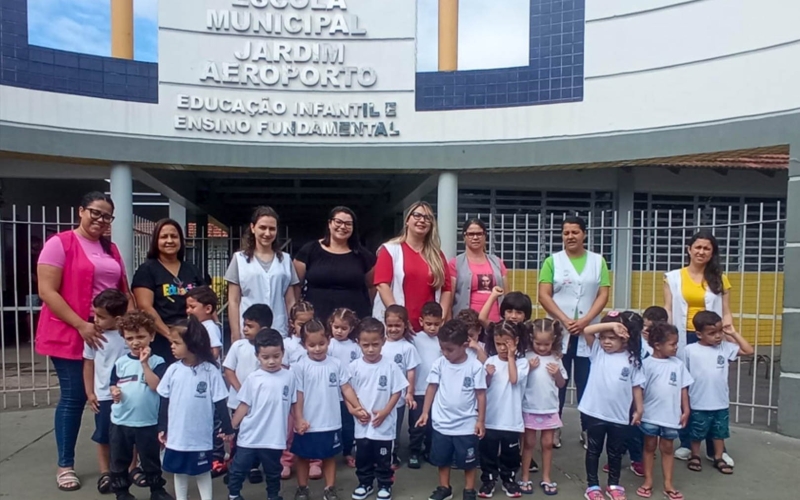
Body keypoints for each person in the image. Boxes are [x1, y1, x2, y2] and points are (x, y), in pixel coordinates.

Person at [36, 191, 131, 492]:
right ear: (80, 211)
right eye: (95, 212)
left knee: (118, 393)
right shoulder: (59, 244)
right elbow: (47, 291)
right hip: (68, 332)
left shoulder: (111, 249)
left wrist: (131, 327)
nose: (101, 220)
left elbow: (123, 291)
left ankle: (118, 460)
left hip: (110, 336)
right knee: (76, 396)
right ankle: (66, 464)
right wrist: (81, 325)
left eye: (107, 216)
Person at [537, 216, 611, 448]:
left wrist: (586, 321)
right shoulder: (552, 261)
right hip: (559, 332)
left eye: (575, 232)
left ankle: (587, 428)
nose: (570, 236)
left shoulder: (598, 261)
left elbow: (603, 294)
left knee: (586, 382)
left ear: (584, 234)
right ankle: (554, 427)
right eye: (566, 232)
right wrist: (566, 320)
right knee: (557, 380)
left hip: (588, 332)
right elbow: (544, 295)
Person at [665, 231, 736, 465]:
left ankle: (716, 448)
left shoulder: (719, 278)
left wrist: (729, 332)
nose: (701, 252)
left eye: (707, 248)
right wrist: (665, 337)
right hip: (683, 336)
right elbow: (668, 308)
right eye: (697, 247)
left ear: (712, 252)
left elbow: (725, 310)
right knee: (685, 388)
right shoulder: (673, 277)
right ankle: (686, 443)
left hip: (712, 336)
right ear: (689, 249)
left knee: (712, 388)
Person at [157, 317, 234, 500]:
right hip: (177, 435)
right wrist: (162, 426)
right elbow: (164, 400)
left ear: (192, 343)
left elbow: (220, 402)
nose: (172, 347)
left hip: (200, 436)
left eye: (177, 342)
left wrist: (227, 427)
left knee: (202, 471)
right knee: (179, 471)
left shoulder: (210, 371)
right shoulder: (173, 370)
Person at [291, 319, 365, 500]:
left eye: (321, 344)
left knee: (329, 456)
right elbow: (297, 395)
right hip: (307, 423)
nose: (317, 349)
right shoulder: (299, 367)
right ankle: (302, 488)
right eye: (312, 345)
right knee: (302, 457)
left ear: (328, 340)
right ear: (304, 345)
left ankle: (329, 488)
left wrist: (357, 407)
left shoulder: (336, 364)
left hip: (331, 421)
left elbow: (346, 388)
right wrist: (299, 418)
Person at [415, 319, 487, 500]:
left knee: (469, 462)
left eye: (450, 349)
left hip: (466, 424)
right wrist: (425, 412)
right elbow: (431, 388)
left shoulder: (475, 367)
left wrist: (480, 421)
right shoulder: (439, 364)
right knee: (442, 459)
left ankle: (469, 490)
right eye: (442, 348)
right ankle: (444, 487)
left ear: (464, 345)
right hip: (442, 422)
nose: (445, 353)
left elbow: (481, 395)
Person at [578, 312, 645, 500]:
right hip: (594, 412)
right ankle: (592, 486)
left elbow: (637, 386)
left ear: (625, 339)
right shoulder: (597, 352)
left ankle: (613, 484)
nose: (606, 342)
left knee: (615, 453)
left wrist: (639, 409)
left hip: (618, 415)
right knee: (593, 450)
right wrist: (612, 325)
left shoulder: (632, 359)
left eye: (612, 339)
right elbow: (587, 330)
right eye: (604, 338)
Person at [108, 311, 172, 500]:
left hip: (148, 421)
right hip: (122, 420)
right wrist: (114, 391)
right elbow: (113, 383)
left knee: (150, 459)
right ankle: (121, 491)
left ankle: (156, 490)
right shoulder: (120, 363)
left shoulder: (158, 362)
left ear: (151, 336)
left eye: (141, 337)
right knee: (119, 459)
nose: (136, 342)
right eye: (130, 338)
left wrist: (145, 365)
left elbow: (157, 386)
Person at [228, 328, 297, 500]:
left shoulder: (289, 376)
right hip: (249, 436)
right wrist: (231, 427)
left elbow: (294, 403)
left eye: (276, 356)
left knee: (274, 471)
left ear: (283, 353)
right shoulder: (253, 378)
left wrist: (299, 421)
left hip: (274, 437)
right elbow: (243, 406)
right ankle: (233, 494)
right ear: (257, 356)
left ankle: (273, 496)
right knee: (239, 468)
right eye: (265, 357)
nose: (271, 361)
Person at [683, 311, 753, 476]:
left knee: (719, 432)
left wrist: (733, 333)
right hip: (698, 400)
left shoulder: (725, 347)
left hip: (720, 401)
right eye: (712, 333)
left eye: (720, 331)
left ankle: (718, 457)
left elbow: (748, 350)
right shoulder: (690, 350)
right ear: (699, 334)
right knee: (696, 431)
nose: (718, 336)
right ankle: (694, 455)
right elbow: (684, 377)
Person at [348, 318, 408, 500]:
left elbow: (398, 391)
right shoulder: (354, 367)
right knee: (363, 457)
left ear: (383, 341)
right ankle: (364, 483)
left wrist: (386, 411)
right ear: (358, 343)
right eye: (366, 345)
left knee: (383, 459)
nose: (371, 349)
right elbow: (346, 391)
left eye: (375, 344)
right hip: (362, 425)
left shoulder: (390, 366)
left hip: (383, 426)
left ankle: (384, 485)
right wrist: (353, 410)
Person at [132, 218, 205, 364]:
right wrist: (170, 335)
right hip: (162, 340)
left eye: (174, 236)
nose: (170, 241)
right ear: (155, 241)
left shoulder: (191, 269)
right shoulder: (147, 270)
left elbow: (205, 301)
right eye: (164, 237)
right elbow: (145, 307)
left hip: (191, 338)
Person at [373, 201, 453, 332]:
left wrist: (440, 317)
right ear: (407, 220)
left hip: (428, 329)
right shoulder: (390, 250)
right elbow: (382, 285)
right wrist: (399, 318)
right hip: (398, 328)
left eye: (427, 218)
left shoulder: (437, 255)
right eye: (417, 215)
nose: (422, 220)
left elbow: (446, 289)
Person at [82, 289, 130, 494]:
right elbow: (89, 364)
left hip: (129, 395)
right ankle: (105, 473)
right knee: (103, 435)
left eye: (101, 316)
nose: (95, 320)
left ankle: (130, 469)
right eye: (95, 314)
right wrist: (90, 393)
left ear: (117, 319)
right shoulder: (95, 336)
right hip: (103, 395)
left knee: (130, 433)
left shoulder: (129, 335)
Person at [637, 322, 692, 500]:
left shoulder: (678, 365)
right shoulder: (646, 364)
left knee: (667, 448)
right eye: (672, 344)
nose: (676, 347)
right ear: (657, 345)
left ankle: (668, 483)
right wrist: (638, 411)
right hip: (650, 415)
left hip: (670, 415)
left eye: (676, 344)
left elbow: (683, 388)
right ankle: (648, 481)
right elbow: (640, 390)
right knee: (649, 446)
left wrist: (686, 409)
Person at [226, 206, 299, 340]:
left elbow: (290, 301)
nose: (267, 233)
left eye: (272, 229)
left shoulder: (285, 260)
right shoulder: (239, 259)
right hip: (248, 331)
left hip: (278, 328)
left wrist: (293, 328)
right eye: (262, 227)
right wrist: (235, 333)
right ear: (253, 228)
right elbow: (233, 301)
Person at [294, 206, 377, 321]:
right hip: (315, 321)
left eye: (348, 224)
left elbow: (372, 287)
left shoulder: (364, 255)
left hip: (353, 320)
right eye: (338, 222)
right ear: (329, 223)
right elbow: (296, 285)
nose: (343, 227)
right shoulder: (309, 250)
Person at [223, 303, 274, 485]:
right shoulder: (238, 346)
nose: (245, 329)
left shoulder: (269, 350)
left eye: (250, 326)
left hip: (260, 405)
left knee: (256, 434)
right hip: (238, 402)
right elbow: (228, 370)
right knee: (236, 435)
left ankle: (253, 467)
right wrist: (242, 390)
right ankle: (235, 467)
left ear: (264, 328)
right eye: (244, 324)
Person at [479, 321, 529, 499]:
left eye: (506, 343)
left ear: (515, 341)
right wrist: (488, 375)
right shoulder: (490, 362)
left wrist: (510, 356)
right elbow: (482, 387)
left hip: (511, 419)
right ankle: (488, 479)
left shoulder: (522, 363)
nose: (502, 348)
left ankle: (509, 479)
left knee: (511, 454)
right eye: (499, 344)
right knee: (488, 452)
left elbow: (514, 379)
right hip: (491, 417)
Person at [519, 319, 566, 496]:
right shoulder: (526, 356)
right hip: (530, 407)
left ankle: (546, 477)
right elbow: (519, 381)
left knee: (547, 444)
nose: (542, 347)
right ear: (531, 338)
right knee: (528, 443)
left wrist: (557, 374)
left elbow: (562, 384)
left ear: (553, 340)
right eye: (538, 343)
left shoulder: (556, 358)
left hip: (549, 408)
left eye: (547, 343)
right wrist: (528, 369)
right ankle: (525, 477)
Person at [382, 305, 421, 469]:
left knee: (394, 428)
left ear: (405, 325)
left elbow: (411, 371)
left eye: (397, 325)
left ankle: (393, 455)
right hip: (380, 394)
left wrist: (409, 393)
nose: (393, 329)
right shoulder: (380, 344)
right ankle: (379, 453)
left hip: (397, 397)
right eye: (389, 325)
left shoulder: (408, 347)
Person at [449, 218, 508, 322]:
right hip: (466, 325)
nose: (475, 237)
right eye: (471, 234)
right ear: (464, 237)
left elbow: (506, 296)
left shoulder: (497, 262)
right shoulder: (455, 264)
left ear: (485, 236)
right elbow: (449, 299)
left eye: (479, 234)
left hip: (495, 324)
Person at [408, 301, 444, 469]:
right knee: (416, 425)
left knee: (432, 425)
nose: (432, 328)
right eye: (428, 324)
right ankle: (414, 451)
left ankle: (430, 450)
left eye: (436, 324)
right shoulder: (414, 338)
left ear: (441, 322)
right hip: (418, 389)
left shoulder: (442, 341)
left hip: (437, 391)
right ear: (421, 321)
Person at [326, 308, 362, 468]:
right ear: (331, 325)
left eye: (343, 328)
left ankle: (348, 452)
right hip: (331, 393)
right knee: (332, 424)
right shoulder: (328, 344)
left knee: (349, 425)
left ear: (351, 329)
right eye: (336, 327)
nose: (339, 331)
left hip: (349, 392)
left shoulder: (355, 347)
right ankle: (328, 454)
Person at [185, 286, 223, 361]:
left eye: (192, 307)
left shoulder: (210, 327)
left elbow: (215, 352)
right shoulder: (194, 326)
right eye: (187, 307)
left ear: (208, 309)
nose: (188, 311)